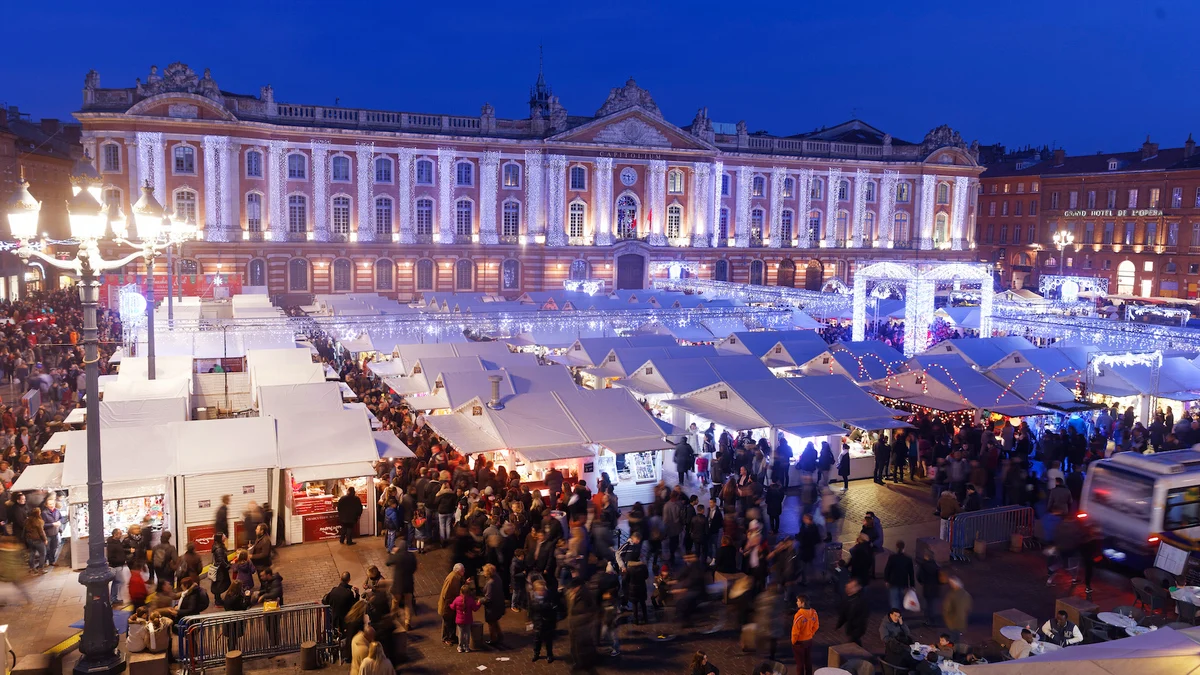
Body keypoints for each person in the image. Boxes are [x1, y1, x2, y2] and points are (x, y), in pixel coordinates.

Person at [386, 539, 417, 630]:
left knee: (395, 602)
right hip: (408, 584)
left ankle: (393, 619)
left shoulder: (397, 556)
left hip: (398, 585)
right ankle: (407, 623)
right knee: (408, 604)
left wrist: (392, 553)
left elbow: (387, 563)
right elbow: (414, 568)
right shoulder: (411, 556)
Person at [324, 572, 360, 639]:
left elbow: (326, 600)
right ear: (349, 580)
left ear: (340, 579)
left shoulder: (334, 590)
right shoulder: (349, 593)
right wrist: (357, 594)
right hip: (344, 620)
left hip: (334, 618)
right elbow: (355, 605)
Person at [883, 540, 915, 613]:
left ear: (896, 548)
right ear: (904, 548)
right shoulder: (908, 559)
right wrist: (912, 585)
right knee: (901, 599)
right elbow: (911, 573)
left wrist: (886, 580)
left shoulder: (892, 557)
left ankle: (896, 616)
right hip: (903, 583)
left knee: (894, 600)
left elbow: (887, 569)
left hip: (893, 582)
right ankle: (900, 615)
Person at [529, 578, 557, 662]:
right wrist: (530, 622)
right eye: (539, 590)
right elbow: (530, 610)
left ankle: (549, 655)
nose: (541, 591)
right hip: (537, 623)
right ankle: (536, 654)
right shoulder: (532, 598)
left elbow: (554, 610)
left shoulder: (550, 597)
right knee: (537, 640)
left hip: (547, 622)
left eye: (543, 589)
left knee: (548, 641)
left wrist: (553, 622)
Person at [791, 595, 819, 675]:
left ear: (802, 603)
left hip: (799, 642)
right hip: (809, 640)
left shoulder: (799, 615)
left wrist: (793, 641)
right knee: (808, 661)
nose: (797, 602)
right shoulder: (814, 612)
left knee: (800, 663)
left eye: (798, 601)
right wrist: (811, 634)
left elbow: (795, 632)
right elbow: (816, 626)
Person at [438, 564, 466, 645]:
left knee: (452, 621)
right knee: (448, 622)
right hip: (448, 605)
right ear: (458, 571)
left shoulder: (456, 577)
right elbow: (446, 594)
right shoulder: (452, 578)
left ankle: (452, 636)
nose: (464, 572)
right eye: (462, 570)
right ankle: (447, 638)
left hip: (451, 604)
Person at [836, 579, 869, 646]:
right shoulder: (848, 599)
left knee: (853, 642)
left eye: (851, 588)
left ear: (858, 588)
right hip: (851, 627)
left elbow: (863, 616)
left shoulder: (860, 601)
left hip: (857, 628)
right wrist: (839, 624)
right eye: (848, 587)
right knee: (855, 642)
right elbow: (844, 613)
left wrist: (859, 629)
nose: (848, 589)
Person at [481, 563, 506, 648]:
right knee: (495, 621)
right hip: (498, 604)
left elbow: (488, 598)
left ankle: (493, 639)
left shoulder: (490, 583)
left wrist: (480, 601)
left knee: (491, 622)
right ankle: (500, 635)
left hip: (492, 607)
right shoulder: (497, 578)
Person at [450, 585, 480, 653]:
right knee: (467, 633)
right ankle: (466, 647)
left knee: (460, 633)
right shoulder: (470, 600)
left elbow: (452, 607)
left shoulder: (457, 599)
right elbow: (475, 609)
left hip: (459, 620)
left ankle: (460, 647)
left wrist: (449, 604)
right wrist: (479, 603)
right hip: (468, 619)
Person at [106, 528, 128, 603]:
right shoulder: (112, 544)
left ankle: (113, 598)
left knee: (116, 581)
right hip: (116, 565)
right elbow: (111, 557)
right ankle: (114, 598)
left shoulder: (117, 541)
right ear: (115, 535)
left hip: (118, 564)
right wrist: (120, 560)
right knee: (120, 581)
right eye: (120, 534)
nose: (121, 535)